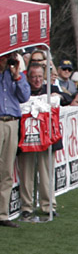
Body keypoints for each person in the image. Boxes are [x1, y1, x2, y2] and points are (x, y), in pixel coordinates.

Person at [18, 61, 64, 221]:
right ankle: (26, 207)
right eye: (33, 77)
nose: (37, 80)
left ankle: (48, 205)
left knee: (46, 174)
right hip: (27, 139)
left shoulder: (51, 89)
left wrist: (56, 97)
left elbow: (64, 98)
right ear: (28, 77)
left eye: (39, 76)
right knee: (26, 174)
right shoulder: (22, 90)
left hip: (47, 139)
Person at [0, 52, 30, 227]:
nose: (7, 61)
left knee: (6, 170)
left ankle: (3, 214)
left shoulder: (14, 76)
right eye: (4, 58)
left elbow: (24, 96)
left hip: (12, 122)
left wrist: (17, 75)